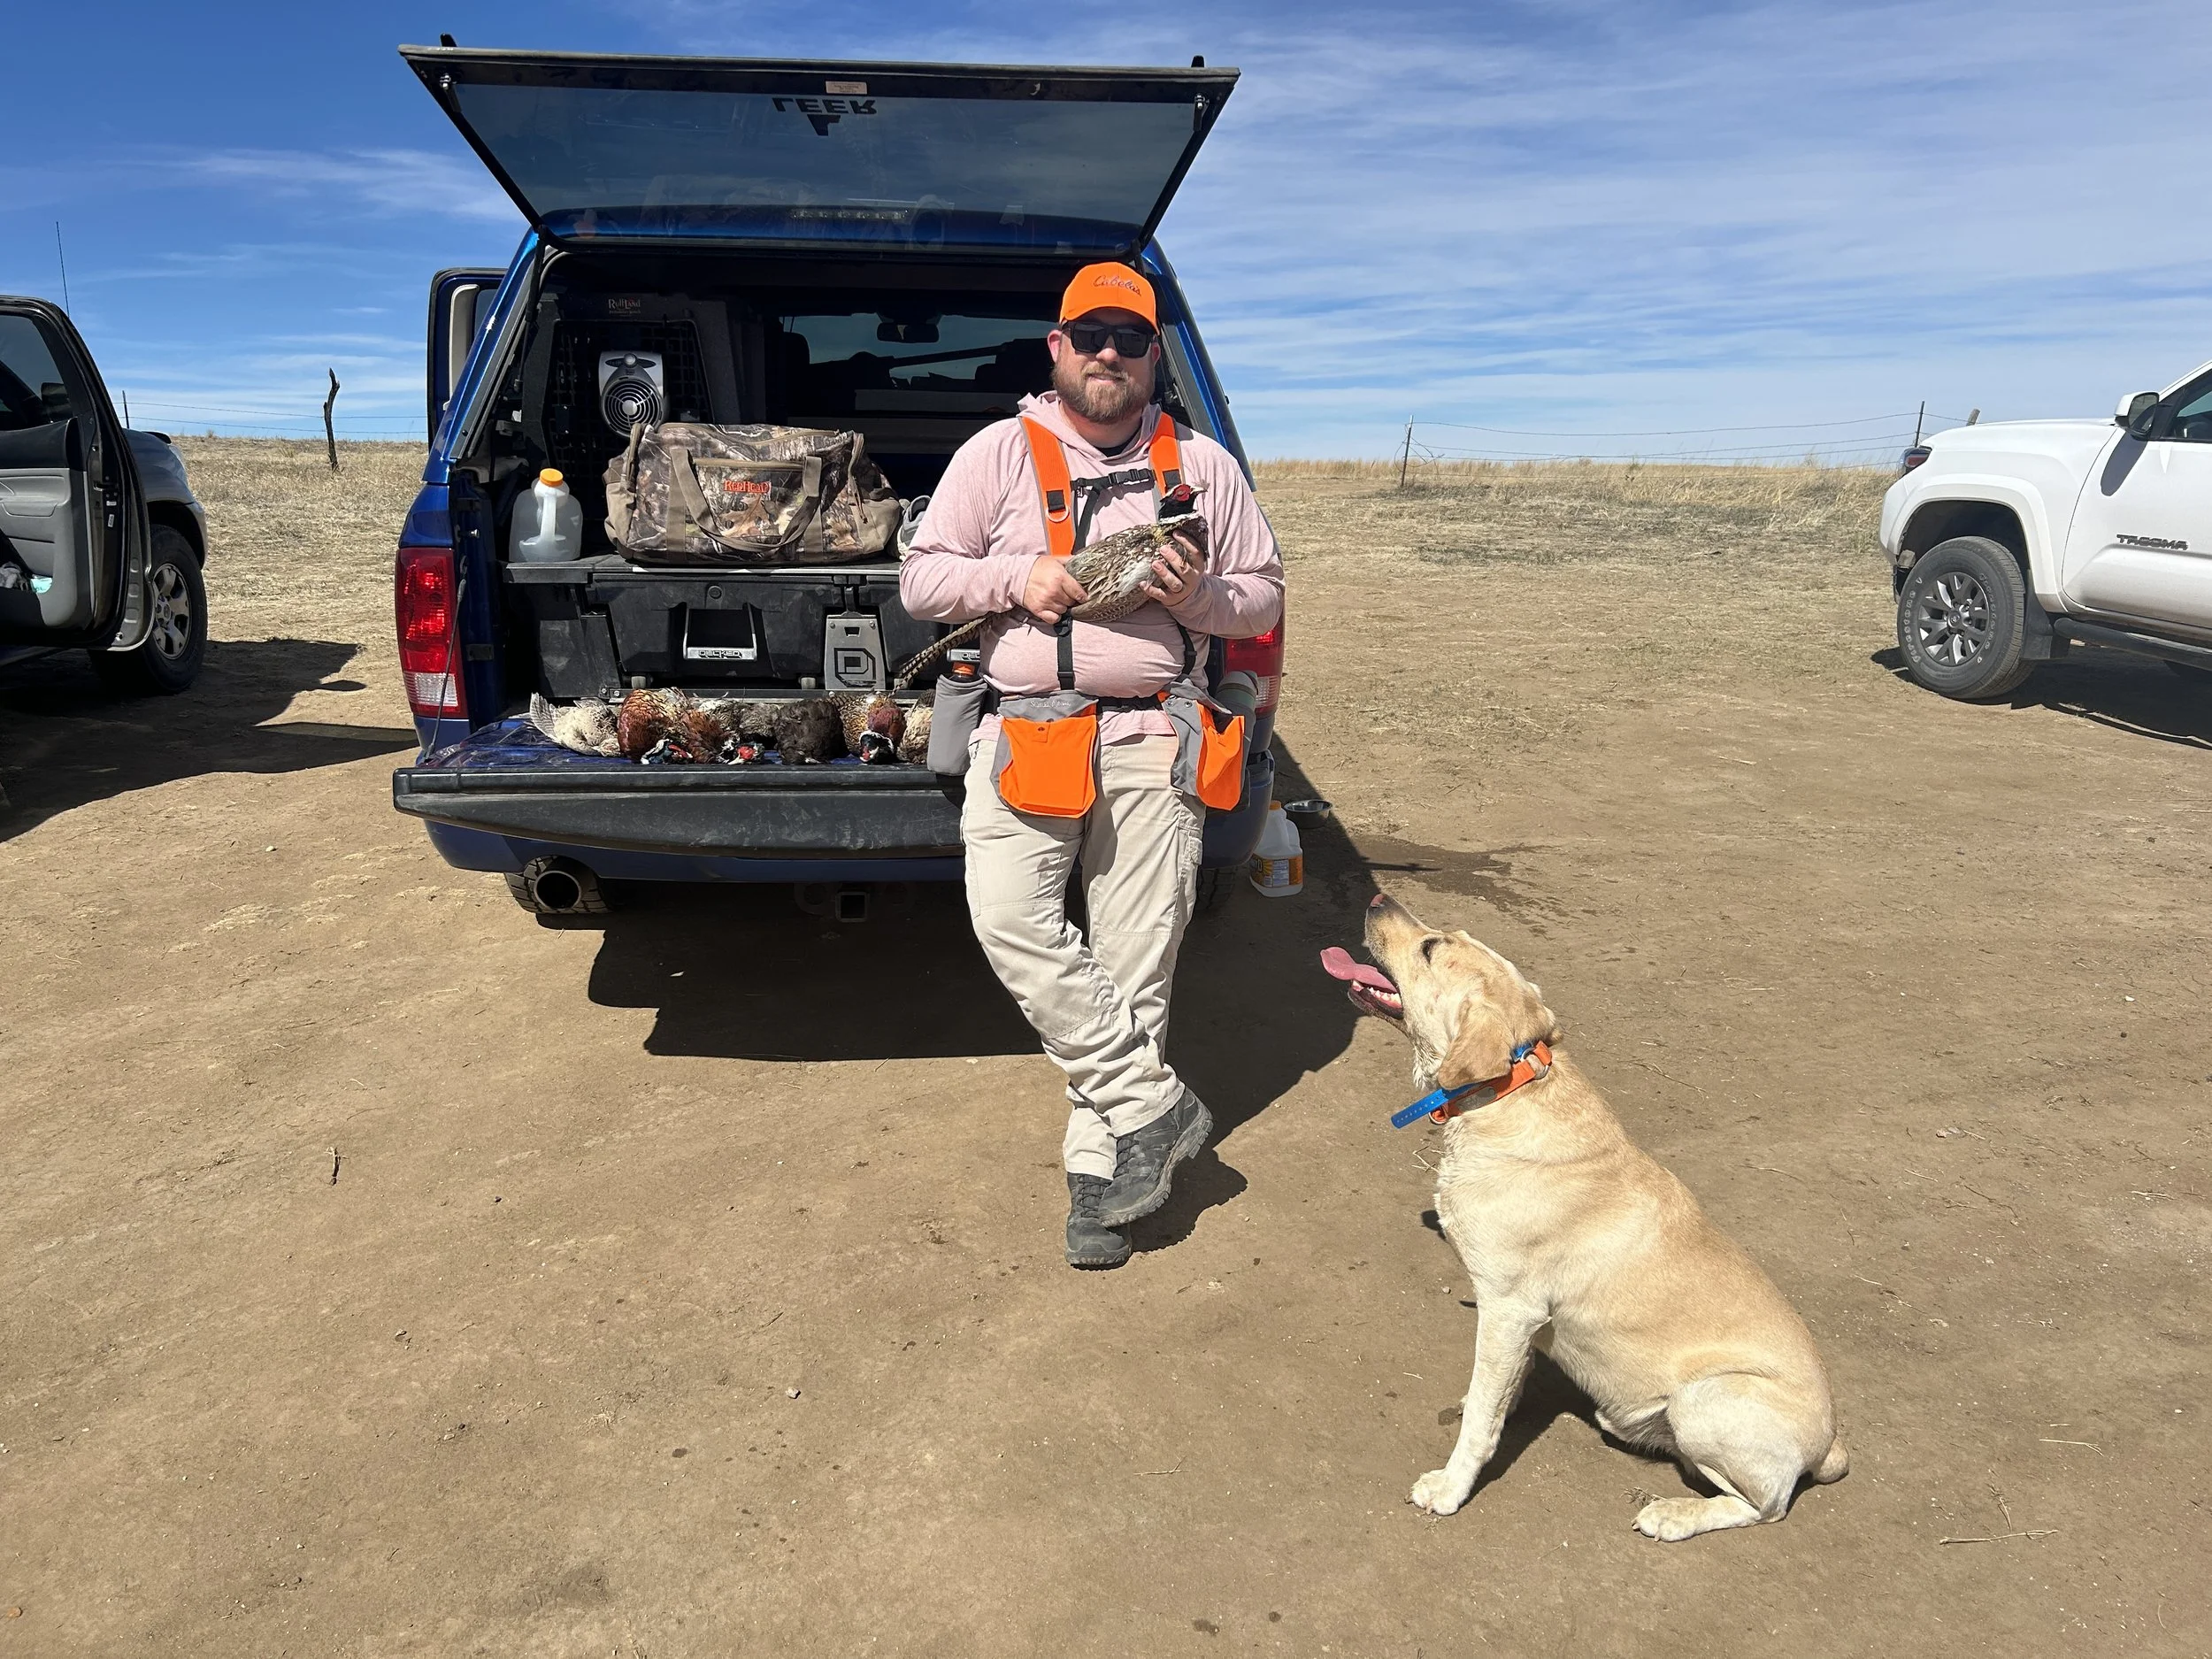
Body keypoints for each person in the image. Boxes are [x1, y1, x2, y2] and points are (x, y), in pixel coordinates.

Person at [900, 263, 1286, 1269]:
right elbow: (922, 580)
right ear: (1057, 349)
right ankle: (1151, 1107)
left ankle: (1100, 1174)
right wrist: (1014, 575)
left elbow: (1264, 599)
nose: (1108, 351)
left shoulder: (1206, 468)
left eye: (1129, 336)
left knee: (1133, 969)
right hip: (1024, 732)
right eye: (1090, 335)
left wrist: (1200, 599)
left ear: (1155, 355)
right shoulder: (995, 454)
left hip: (1156, 738)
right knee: (1012, 923)